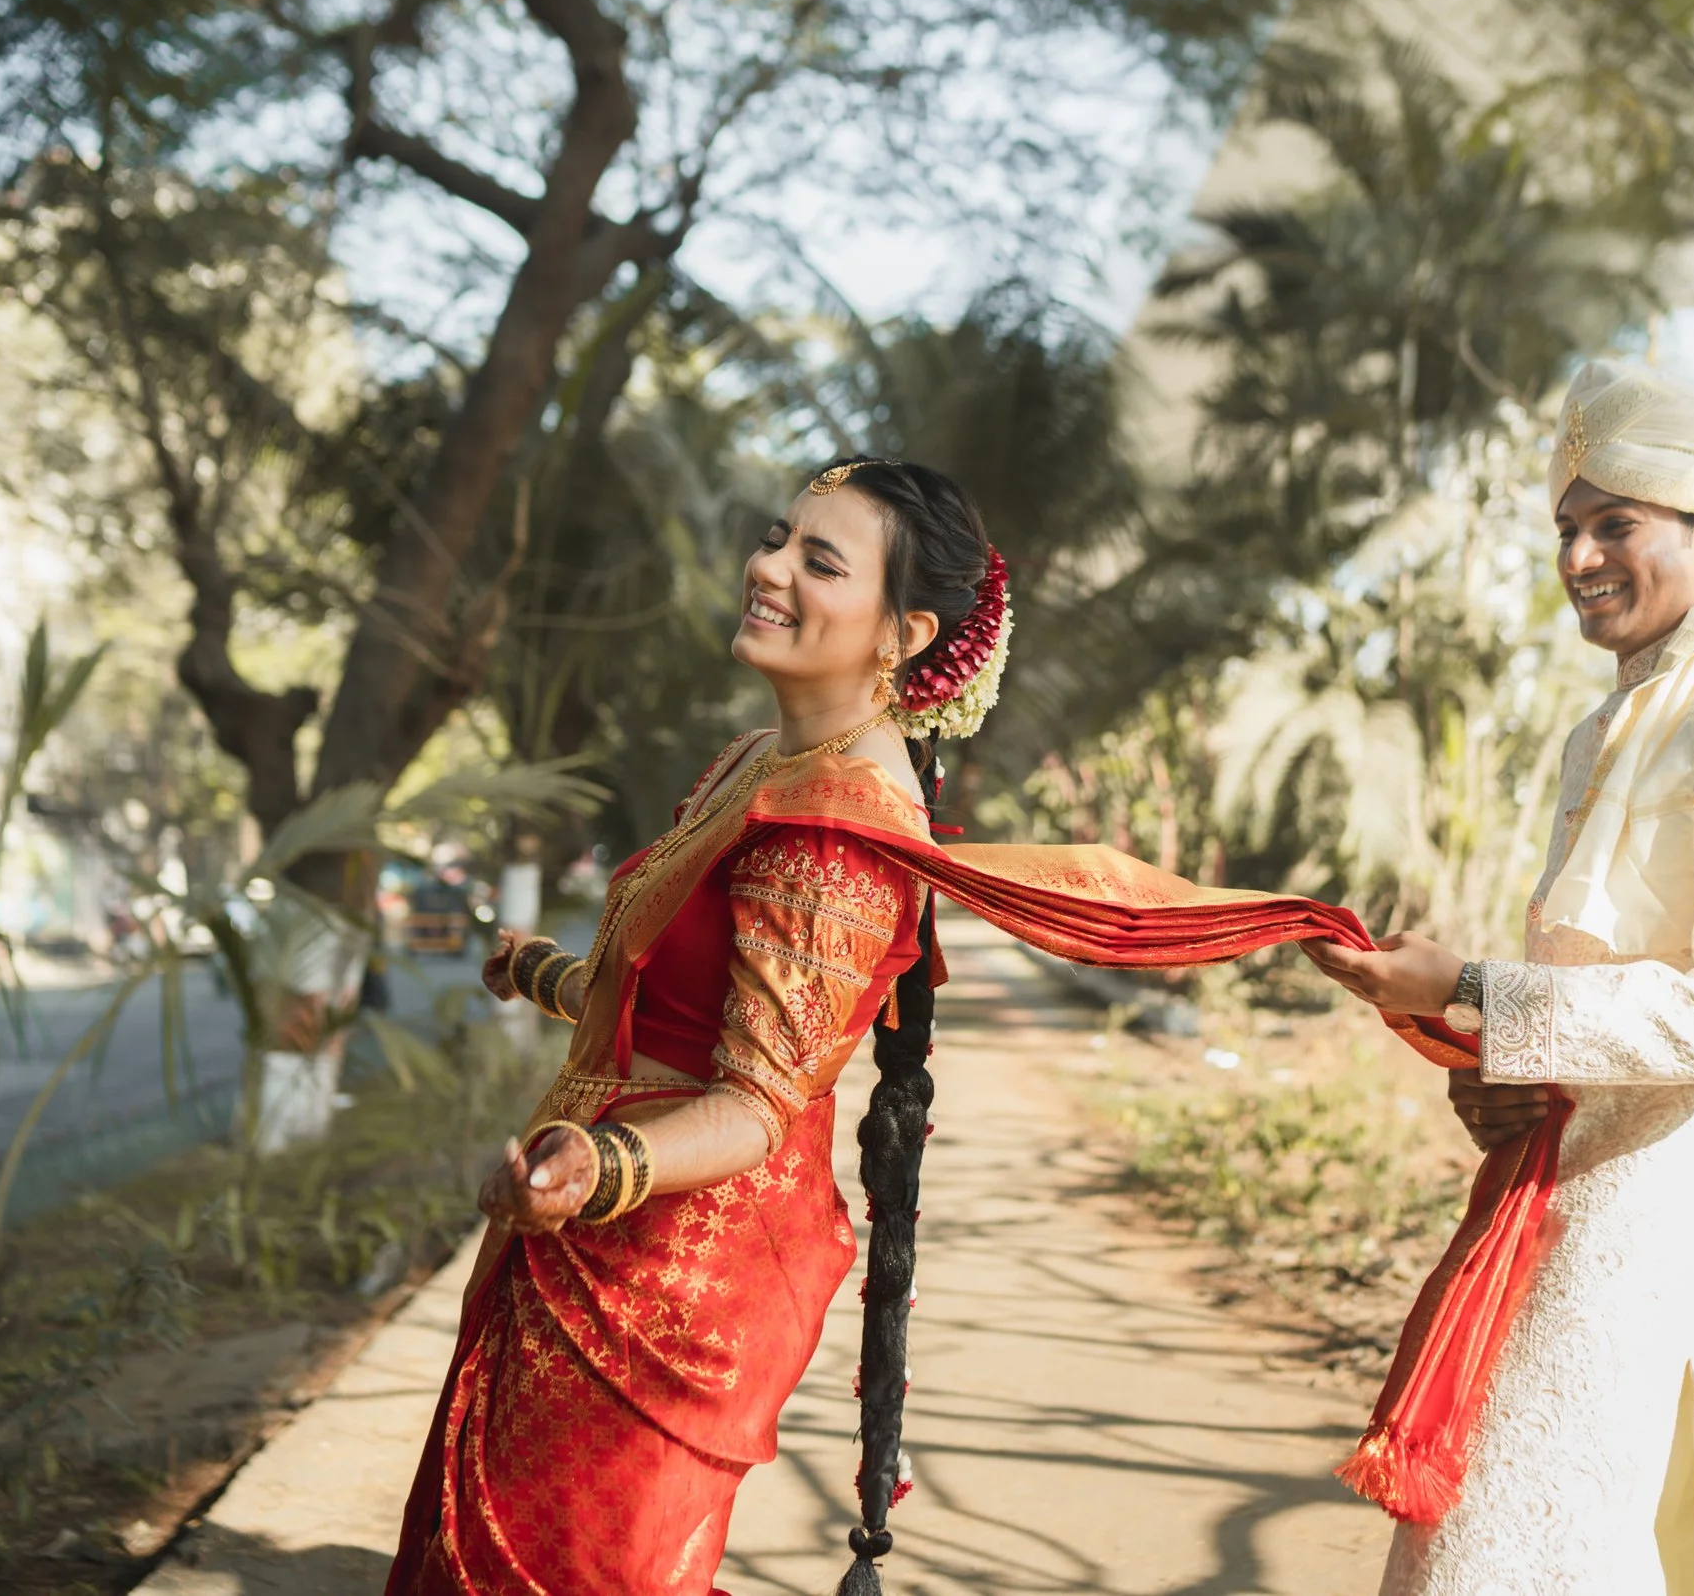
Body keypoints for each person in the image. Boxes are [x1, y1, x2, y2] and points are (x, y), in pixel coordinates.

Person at [385, 458, 1473, 1596]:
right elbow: (671, 1000)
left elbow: (755, 1101)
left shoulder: (834, 834)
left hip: (668, 1263)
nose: (767, 567)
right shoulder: (759, 763)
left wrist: (598, 1166)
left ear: (902, 632)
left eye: (819, 559)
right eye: (775, 538)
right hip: (592, 1221)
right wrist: (549, 971)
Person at [1306, 361, 1694, 1596]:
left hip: (1662, 1223)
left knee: (1556, 1540)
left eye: (1616, 523)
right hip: (1550, 1200)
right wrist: (1496, 1069)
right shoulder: (1602, 724)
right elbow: (1587, 986)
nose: (1576, 556)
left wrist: (1478, 993)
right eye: (1566, 527)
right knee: (1498, 1543)